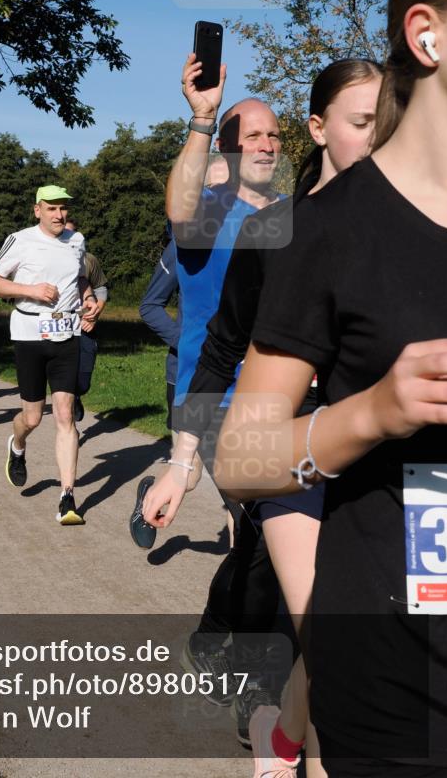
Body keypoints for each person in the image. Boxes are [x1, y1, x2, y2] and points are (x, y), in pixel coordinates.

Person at [214, 0, 447, 777]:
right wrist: (375, 412)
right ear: (429, 34)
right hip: (402, 679)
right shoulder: (327, 232)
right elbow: (240, 460)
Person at [144, 58, 383, 776]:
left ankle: (243, 659)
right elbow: (183, 215)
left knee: (258, 557)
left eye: (274, 135)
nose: (267, 144)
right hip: (245, 414)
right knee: (274, 567)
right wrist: (181, 462)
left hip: (345, 431)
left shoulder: (296, 217)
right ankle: (262, 693)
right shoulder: (223, 216)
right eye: (252, 136)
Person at [0, 185, 99, 525]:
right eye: (52, 209)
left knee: (65, 415)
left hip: (66, 335)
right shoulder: (20, 240)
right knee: (32, 418)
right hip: (29, 335)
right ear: (38, 210)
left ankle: (67, 497)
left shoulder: (76, 241)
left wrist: (88, 298)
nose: (59, 215)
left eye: (63, 208)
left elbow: (79, 279)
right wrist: (29, 290)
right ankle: (17, 444)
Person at [130, 231, 183, 548]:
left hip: (247, 375)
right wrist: (188, 344)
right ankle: (150, 496)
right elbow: (150, 305)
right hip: (189, 373)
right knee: (186, 474)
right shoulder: (186, 242)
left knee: (239, 483)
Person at [64, 219, 108, 424]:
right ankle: (67, 423)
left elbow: (100, 288)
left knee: (83, 382)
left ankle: (77, 396)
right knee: (63, 380)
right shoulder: (44, 259)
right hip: (59, 327)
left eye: (71, 234)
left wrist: (95, 314)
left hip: (84, 324)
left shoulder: (89, 260)